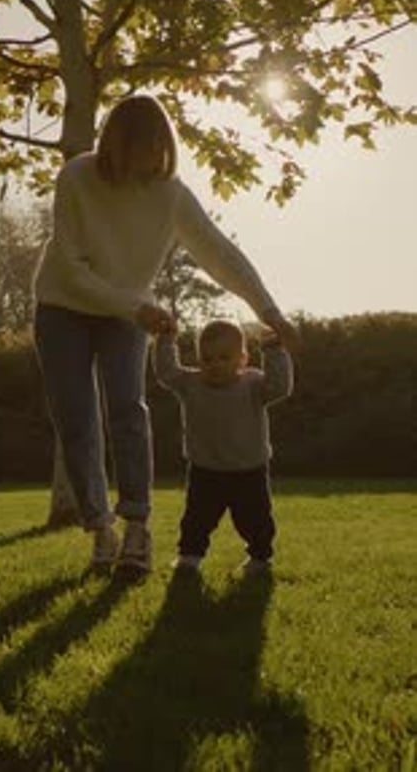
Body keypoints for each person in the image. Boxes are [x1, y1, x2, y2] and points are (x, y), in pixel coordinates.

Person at [33, 93, 297, 574]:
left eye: (162, 146)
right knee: (76, 417)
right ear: (119, 142)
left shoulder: (169, 193)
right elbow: (70, 269)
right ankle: (101, 530)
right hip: (63, 308)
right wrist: (138, 306)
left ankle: (136, 527)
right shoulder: (76, 177)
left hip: (128, 315)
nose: (155, 157)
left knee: (127, 410)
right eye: (145, 146)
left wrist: (268, 309)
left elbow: (219, 254)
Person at [153, 319, 293, 575]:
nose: (215, 364)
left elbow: (280, 387)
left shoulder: (254, 384)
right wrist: (165, 341)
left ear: (242, 359)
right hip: (205, 470)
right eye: (207, 359)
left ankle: (260, 558)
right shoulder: (191, 383)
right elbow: (166, 373)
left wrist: (274, 351)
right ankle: (189, 557)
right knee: (196, 519)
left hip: (249, 470)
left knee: (256, 519)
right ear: (199, 360)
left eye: (224, 358)